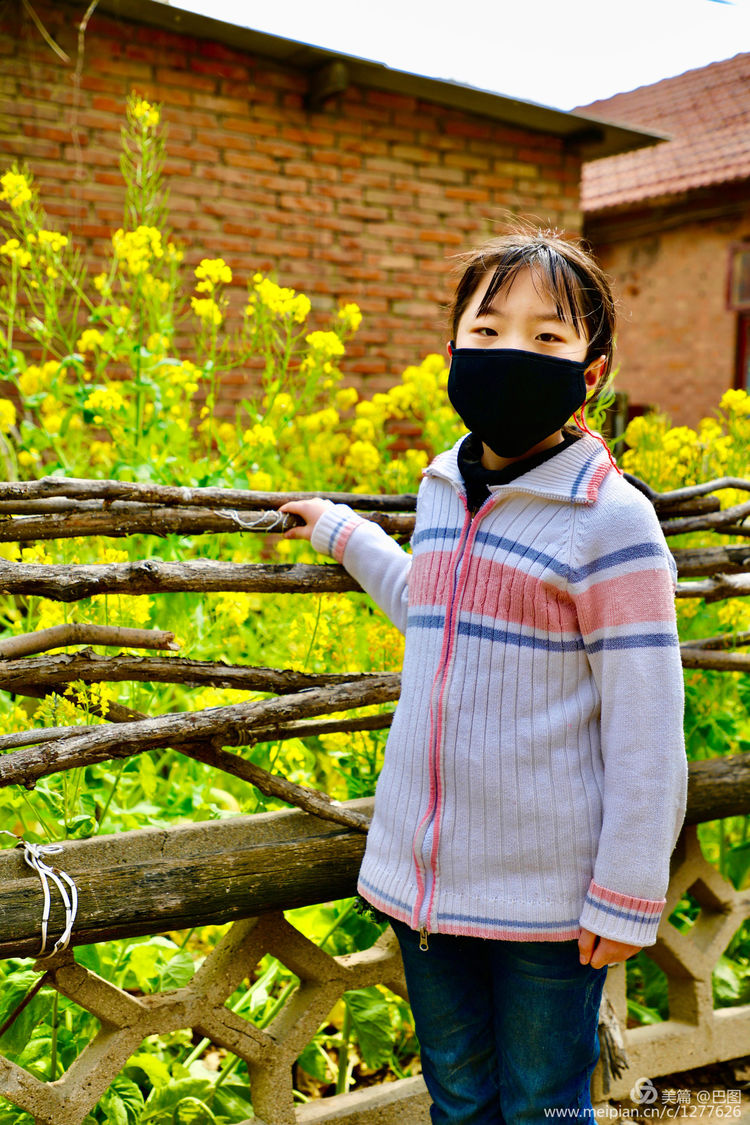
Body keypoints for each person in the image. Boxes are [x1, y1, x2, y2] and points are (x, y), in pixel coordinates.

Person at [280, 226, 687, 1124]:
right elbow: (431, 600)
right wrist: (344, 533)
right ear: (454, 349)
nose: (513, 352)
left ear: (591, 375)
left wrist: (627, 894)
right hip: (424, 887)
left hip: (547, 902)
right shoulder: (441, 487)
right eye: (490, 328)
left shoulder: (610, 522)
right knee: (458, 1097)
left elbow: (648, 724)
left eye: (548, 337)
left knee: (543, 1105)